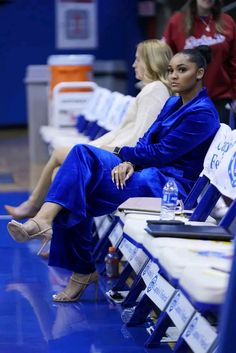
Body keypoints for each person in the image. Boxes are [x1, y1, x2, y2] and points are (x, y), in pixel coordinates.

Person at [7, 45, 220, 303]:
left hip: (168, 188)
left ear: (199, 73)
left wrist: (125, 155)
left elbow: (163, 153)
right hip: (147, 172)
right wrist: (129, 159)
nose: (174, 75)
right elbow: (146, 139)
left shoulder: (203, 114)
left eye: (182, 70)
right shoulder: (174, 102)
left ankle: (75, 262)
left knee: (77, 188)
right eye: (171, 70)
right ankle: (45, 223)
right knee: (80, 155)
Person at [4, 40, 172, 220]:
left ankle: (33, 206)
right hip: (115, 150)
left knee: (60, 154)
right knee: (58, 173)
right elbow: (122, 132)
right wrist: (93, 146)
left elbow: (142, 136)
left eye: (138, 59)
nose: (134, 64)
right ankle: (56, 236)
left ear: (150, 62)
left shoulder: (155, 91)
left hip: (121, 156)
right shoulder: (151, 90)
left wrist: (105, 151)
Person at [162, 0, 236, 124]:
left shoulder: (227, 22)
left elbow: (234, 62)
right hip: (187, 101)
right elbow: (165, 59)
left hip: (220, 100)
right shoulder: (176, 22)